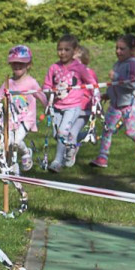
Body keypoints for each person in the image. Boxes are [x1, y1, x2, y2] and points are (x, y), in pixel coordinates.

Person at [91, 34, 135, 168]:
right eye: (117, 48)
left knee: (130, 131)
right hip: (116, 104)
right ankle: (102, 157)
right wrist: (108, 94)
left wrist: (116, 77)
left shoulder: (133, 64)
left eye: (122, 49)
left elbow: (132, 84)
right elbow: (116, 85)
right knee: (107, 129)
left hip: (130, 104)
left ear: (132, 50)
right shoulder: (118, 63)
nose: (118, 51)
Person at [42, 34, 90, 172]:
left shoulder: (79, 68)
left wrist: (94, 92)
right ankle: (71, 147)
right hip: (56, 107)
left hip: (73, 107)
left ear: (74, 51)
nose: (62, 52)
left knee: (63, 132)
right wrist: (48, 91)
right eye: (60, 49)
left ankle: (57, 162)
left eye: (66, 49)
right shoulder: (54, 67)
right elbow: (47, 84)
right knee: (57, 135)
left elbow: (90, 81)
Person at [0, 45, 45, 173]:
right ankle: (14, 166)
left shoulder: (31, 82)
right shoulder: (8, 83)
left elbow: (42, 96)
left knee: (16, 142)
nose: (17, 66)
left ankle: (25, 153)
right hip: (11, 119)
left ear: (28, 65)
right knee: (9, 143)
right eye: (14, 64)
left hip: (27, 118)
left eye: (21, 64)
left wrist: (48, 106)